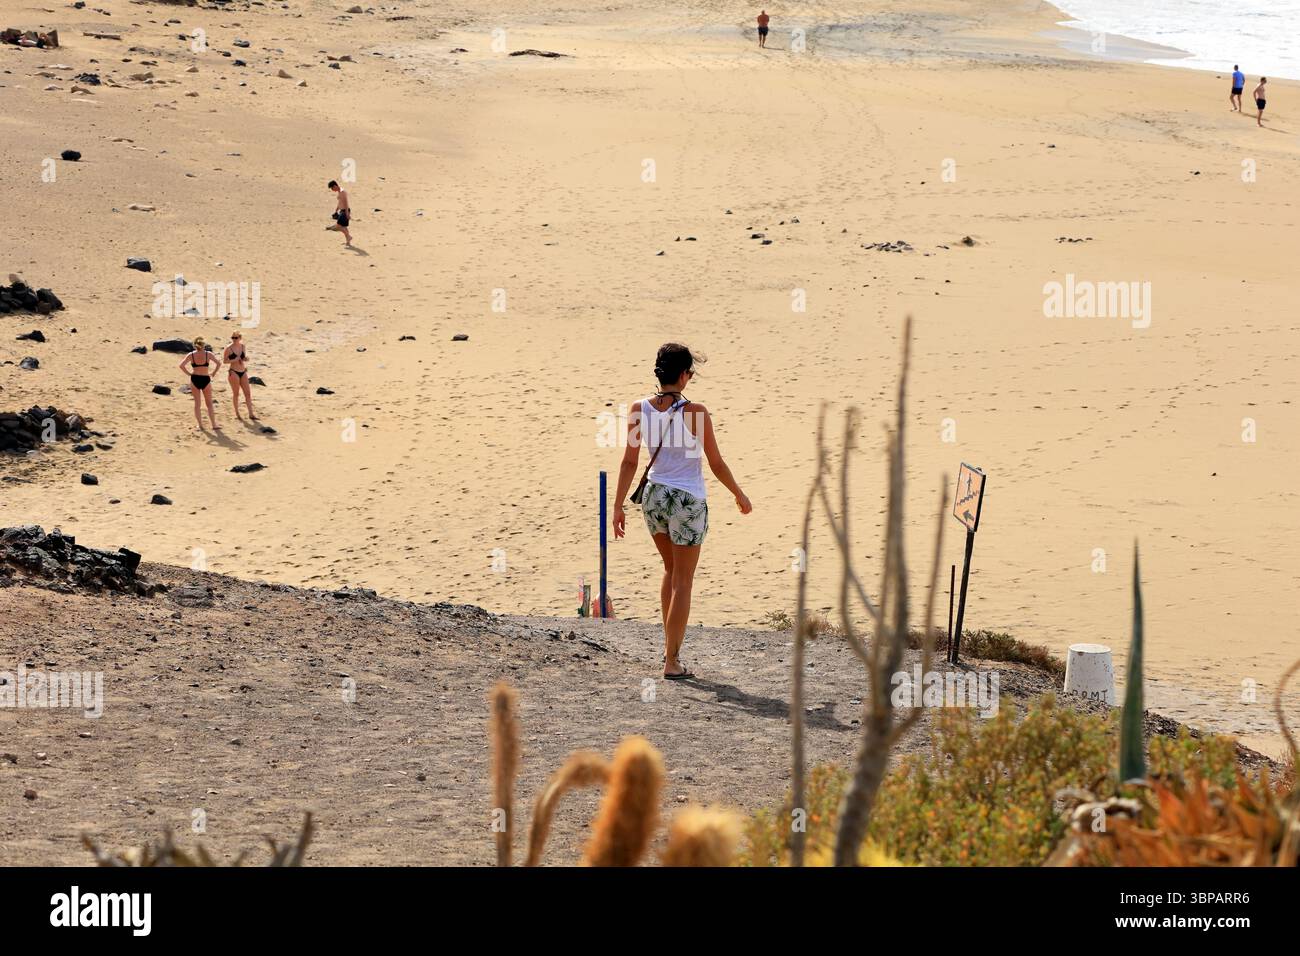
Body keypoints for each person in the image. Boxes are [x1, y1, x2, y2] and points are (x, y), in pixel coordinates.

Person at [613, 344, 753, 680]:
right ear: (682, 375)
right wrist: (739, 493)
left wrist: (617, 506)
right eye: (690, 372)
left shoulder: (638, 409)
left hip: (654, 497)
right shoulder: (696, 412)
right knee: (683, 581)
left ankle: (670, 651)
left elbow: (629, 461)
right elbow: (716, 462)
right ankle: (672, 660)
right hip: (687, 499)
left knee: (670, 570)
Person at [179, 336, 221, 431]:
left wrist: (189, 373)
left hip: (195, 379)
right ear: (204, 344)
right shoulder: (208, 354)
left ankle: (200, 425)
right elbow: (218, 363)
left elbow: (181, 365)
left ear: (194, 345)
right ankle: (214, 425)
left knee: (197, 404)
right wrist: (213, 373)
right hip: (205, 379)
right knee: (209, 404)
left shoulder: (191, 355)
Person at [224, 331, 257, 421]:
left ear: (240, 338)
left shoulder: (243, 346)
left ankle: (251, 414)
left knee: (248, 393)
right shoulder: (228, 348)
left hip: (243, 371)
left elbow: (243, 358)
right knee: (236, 394)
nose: (234, 339)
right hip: (233, 372)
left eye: (236, 338)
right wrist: (234, 359)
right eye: (232, 337)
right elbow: (225, 361)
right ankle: (237, 413)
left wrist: (245, 359)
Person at [327, 180, 352, 246]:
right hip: (342, 211)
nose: (332, 190)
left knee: (338, 227)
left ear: (335, 186)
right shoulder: (339, 192)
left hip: (345, 211)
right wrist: (337, 209)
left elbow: (346, 203)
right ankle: (348, 241)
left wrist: (347, 213)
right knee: (344, 227)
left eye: (332, 188)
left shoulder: (342, 192)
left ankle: (349, 237)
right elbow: (340, 201)